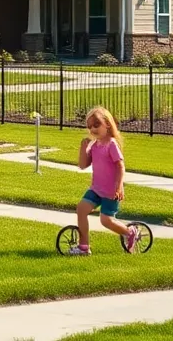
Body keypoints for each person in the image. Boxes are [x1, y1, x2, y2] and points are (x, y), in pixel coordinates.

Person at [70, 106, 140, 256]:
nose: (93, 130)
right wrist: (83, 148)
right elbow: (83, 165)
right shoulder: (95, 146)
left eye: (96, 125)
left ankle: (129, 232)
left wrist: (119, 186)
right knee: (81, 209)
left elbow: (120, 166)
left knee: (106, 220)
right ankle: (83, 246)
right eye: (90, 127)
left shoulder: (111, 144)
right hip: (96, 189)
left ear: (107, 124)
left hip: (110, 191)